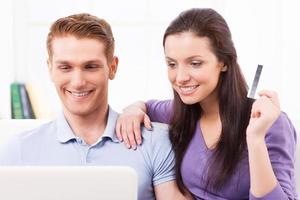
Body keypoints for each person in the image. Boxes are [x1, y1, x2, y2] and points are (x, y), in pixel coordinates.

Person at [0, 13, 190, 200]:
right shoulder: (17, 150)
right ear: (50, 69)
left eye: (90, 67)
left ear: (112, 67)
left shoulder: (155, 142)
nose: (78, 82)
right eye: (65, 67)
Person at [116, 8, 297, 199]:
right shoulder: (179, 112)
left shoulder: (271, 124)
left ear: (224, 62)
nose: (180, 77)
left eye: (195, 63)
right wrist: (132, 110)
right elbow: (146, 106)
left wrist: (255, 139)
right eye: (172, 64)